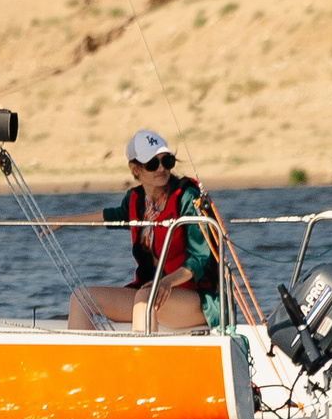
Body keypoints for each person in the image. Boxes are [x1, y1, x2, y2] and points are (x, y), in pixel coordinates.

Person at [57, 129, 221, 332]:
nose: (161, 169)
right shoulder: (135, 200)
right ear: (135, 170)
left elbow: (200, 258)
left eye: (167, 161)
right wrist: (63, 220)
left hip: (199, 299)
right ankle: (80, 363)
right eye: (152, 164)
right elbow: (112, 216)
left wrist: (166, 283)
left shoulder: (187, 197)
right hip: (153, 292)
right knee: (82, 297)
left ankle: (142, 362)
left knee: (145, 298)